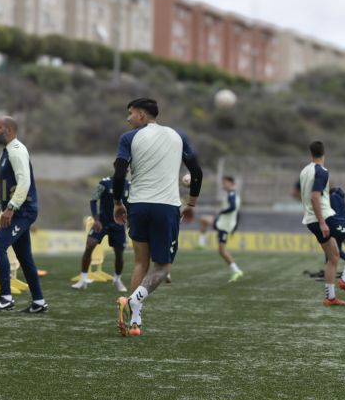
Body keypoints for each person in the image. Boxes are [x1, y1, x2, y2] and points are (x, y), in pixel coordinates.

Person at [112, 98, 203, 337]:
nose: (128, 118)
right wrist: (191, 203)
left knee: (141, 263)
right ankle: (132, 301)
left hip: (138, 207)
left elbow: (119, 173)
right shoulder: (177, 136)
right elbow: (197, 172)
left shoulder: (128, 138)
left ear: (142, 115)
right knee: (162, 268)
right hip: (166, 208)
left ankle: (135, 321)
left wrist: (118, 203)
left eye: (131, 113)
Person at [0, 116, 48, 314]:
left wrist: (10, 208)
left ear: (8, 130)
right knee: (25, 257)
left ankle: (6, 299)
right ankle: (39, 302)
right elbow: (8, 189)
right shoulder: (8, 152)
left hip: (23, 211)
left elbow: (24, 183)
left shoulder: (16, 152)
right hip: (19, 209)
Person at [298, 141, 345, 305]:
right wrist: (322, 222)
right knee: (334, 256)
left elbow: (305, 196)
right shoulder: (322, 171)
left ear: (311, 153)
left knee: (333, 257)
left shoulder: (305, 171)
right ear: (324, 153)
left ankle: (330, 297)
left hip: (310, 220)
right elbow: (314, 196)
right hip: (324, 219)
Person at [72, 175, 130, 292]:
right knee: (89, 246)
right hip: (102, 222)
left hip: (118, 225)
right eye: (123, 167)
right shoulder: (104, 183)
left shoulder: (129, 186)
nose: (125, 170)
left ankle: (117, 280)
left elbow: (130, 204)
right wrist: (96, 219)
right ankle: (83, 280)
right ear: (116, 166)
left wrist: (129, 220)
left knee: (119, 254)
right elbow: (93, 199)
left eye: (127, 168)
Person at [197, 176, 243, 282]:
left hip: (224, 226)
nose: (223, 185)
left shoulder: (232, 195)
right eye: (223, 183)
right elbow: (237, 213)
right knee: (203, 219)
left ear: (232, 184)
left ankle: (237, 270)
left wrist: (222, 212)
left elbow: (233, 208)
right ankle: (201, 243)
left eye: (225, 183)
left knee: (222, 250)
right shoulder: (233, 195)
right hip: (221, 223)